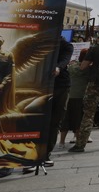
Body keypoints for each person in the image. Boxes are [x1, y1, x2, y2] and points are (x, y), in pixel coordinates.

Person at [27, 35, 73, 170]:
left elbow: (65, 59)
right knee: (36, 120)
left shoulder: (65, 45)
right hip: (39, 84)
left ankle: (45, 154)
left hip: (60, 85)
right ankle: (31, 154)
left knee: (55, 121)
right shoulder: (39, 42)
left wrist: (58, 67)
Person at [61, 49, 90, 146]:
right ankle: (78, 140)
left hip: (69, 95)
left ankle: (61, 142)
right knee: (78, 120)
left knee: (66, 118)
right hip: (81, 96)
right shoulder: (88, 69)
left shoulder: (72, 67)